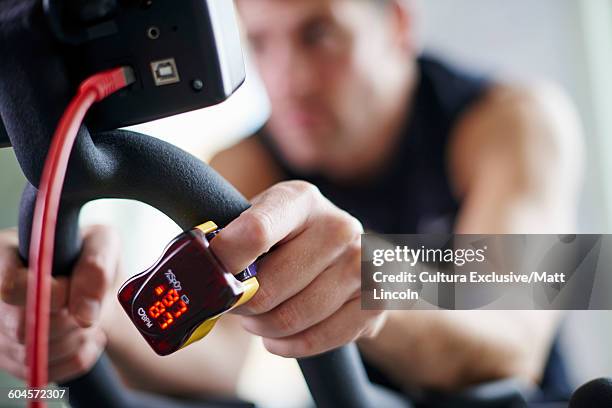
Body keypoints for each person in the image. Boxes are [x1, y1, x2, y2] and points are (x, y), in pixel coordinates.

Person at [0, 0, 584, 403]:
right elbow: (224, 359)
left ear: (398, 25)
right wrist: (90, 313)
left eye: (319, 33)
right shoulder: (241, 165)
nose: (290, 79)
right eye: (260, 42)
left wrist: (369, 276)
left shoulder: (517, 121)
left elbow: (515, 334)